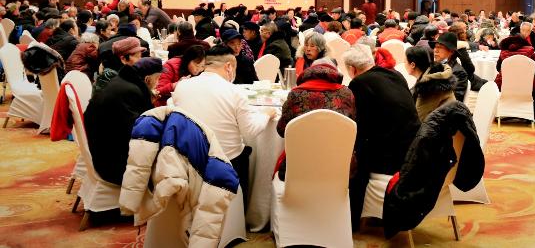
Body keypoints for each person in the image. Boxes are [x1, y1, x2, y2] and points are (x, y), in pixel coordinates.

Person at [172, 44, 271, 199]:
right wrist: (266, 115)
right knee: (247, 152)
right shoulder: (234, 92)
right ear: (229, 67)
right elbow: (250, 132)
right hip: (226, 160)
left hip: (188, 158)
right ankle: (240, 206)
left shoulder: (182, 86)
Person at [343, 45, 420, 230]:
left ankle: (351, 220)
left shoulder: (359, 83)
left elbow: (361, 127)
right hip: (414, 148)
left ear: (352, 69)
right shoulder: (395, 75)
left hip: (393, 157)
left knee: (351, 160)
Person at [83, 46, 160, 185]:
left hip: (103, 151)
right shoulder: (131, 91)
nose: (158, 83)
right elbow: (137, 133)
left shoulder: (121, 82)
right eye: (158, 78)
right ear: (147, 79)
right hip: (113, 164)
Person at [275, 58, 356, 180]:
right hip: (338, 168)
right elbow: (352, 127)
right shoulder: (346, 94)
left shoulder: (295, 94)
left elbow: (281, 130)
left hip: (299, 167)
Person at [431, 32, 468, 101]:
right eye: (435, 47)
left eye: (440, 47)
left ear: (451, 51)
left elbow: (454, 99)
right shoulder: (432, 66)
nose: (435, 50)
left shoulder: (458, 72)